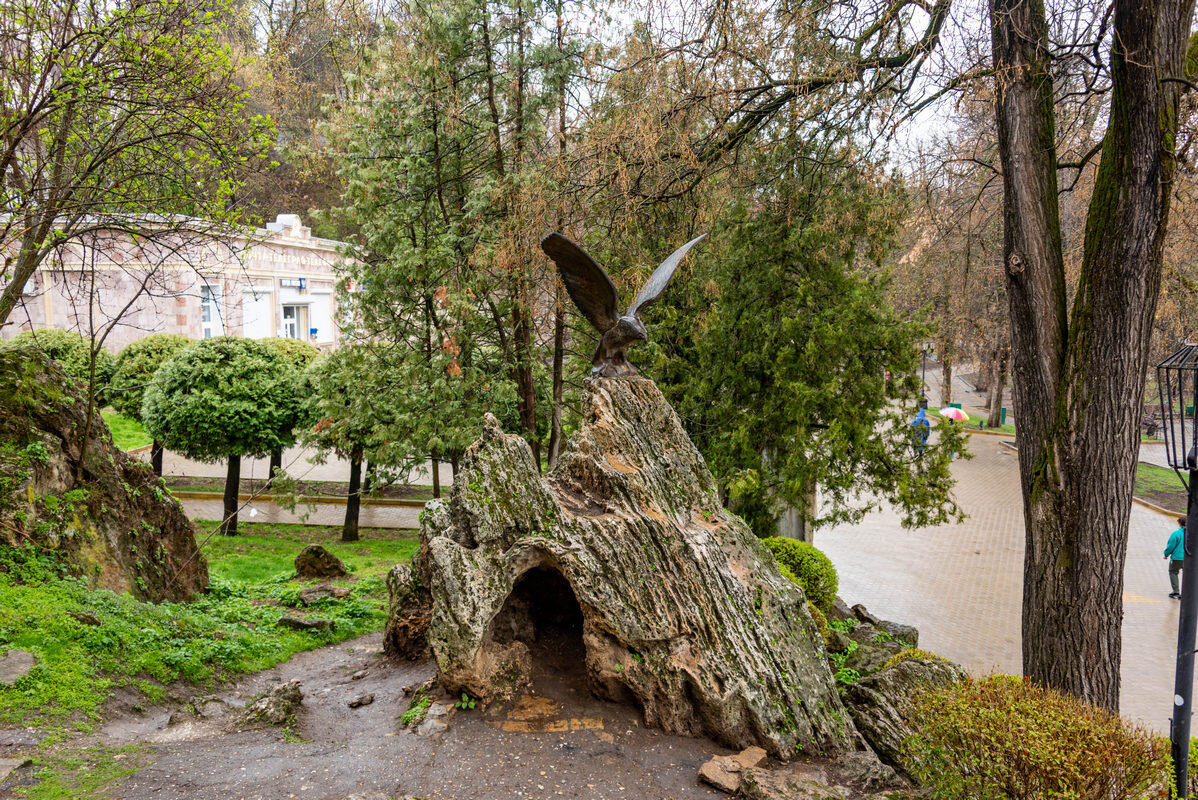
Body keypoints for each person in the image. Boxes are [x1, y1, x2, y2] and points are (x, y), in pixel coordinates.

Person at [1165, 516, 1186, 599]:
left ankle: (1176, 592)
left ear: (1179, 523)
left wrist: (1166, 554)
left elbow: (1170, 546)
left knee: (1173, 572)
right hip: (1190, 559)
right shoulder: (1193, 533)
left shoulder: (1176, 534)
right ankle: (1188, 592)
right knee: (1188, 575)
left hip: (1177, 558)